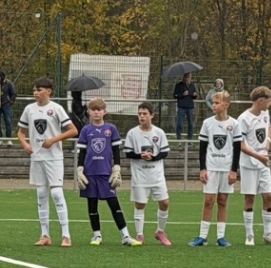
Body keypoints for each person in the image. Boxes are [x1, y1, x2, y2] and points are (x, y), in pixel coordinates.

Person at [18, 77, 75, 247]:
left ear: (48, 91)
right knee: (41, 193)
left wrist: (53, 140)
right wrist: (25, 144)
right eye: (34, 90)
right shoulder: (29, 109)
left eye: (39, 90)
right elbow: (20, 132)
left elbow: (73, 130)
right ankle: (45, 235)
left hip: (54, 157)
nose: (35, 93)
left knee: (56, 193)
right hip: (37, 157)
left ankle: (66, 235)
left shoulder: (56, 108)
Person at [76, 98, 131, 246]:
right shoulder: (86, 130)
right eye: (93, 110)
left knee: (114, 204)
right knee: (92, 205)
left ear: (104, 112)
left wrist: (117, 169)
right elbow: (82, 152)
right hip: (90, 173)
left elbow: (116, 150)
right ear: (89, 112)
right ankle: (97, 236)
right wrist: (80, 170)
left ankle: (125, 235)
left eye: (99, 110)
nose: (96, 112)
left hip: (106, 173)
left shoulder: (111, 129)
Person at [192, 87, 242, 247]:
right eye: (213, 102)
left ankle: (221, 237)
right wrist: (202, 169)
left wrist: (234, 171)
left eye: (217, 102)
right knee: (209, 200)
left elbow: (237, 149)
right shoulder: (207, 123)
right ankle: (202, 236)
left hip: (227, 168)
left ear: (226, 105)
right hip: (211, 167)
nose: (213, 105)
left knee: (222, 200)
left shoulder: (234, 124)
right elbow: (202, 148)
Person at [236, 85, 271, 246]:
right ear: (261, 101)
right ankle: (249, 235)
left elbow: (268, 128)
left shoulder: (265, 113)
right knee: (250, 198)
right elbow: (240, 144)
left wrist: (266, 146)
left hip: (263, 162)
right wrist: (258, 156)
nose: (269, 104)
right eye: (268, 101)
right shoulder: (243, 119)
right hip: (249, 164)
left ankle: (268, 234)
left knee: (268, 196)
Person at [124, 101, 171, 246]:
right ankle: (139, 235)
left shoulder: (159, 132)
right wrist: (140, 155)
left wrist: (153, 157)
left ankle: (160, 232)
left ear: (152, 115)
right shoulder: (132, 133)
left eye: (145, 114)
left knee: (165, 202)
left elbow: (165, 152)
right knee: (140, 204)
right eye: (139, 114)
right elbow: (128, 153)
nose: (142, 117)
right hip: (140, 175)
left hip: (157, 175)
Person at [173, 72, 199, 141]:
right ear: (184, 78)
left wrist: (195, 95)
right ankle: (179, 139)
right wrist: (182, 94)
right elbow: (175, 95)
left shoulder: (192, 85)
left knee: (190, 124)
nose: (187, 79)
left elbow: (194, 95)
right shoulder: (179, 85)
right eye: (186, 77)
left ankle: (190, 139)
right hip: (181, 106)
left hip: (190, 106)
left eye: (188, 77)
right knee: (179, 123)